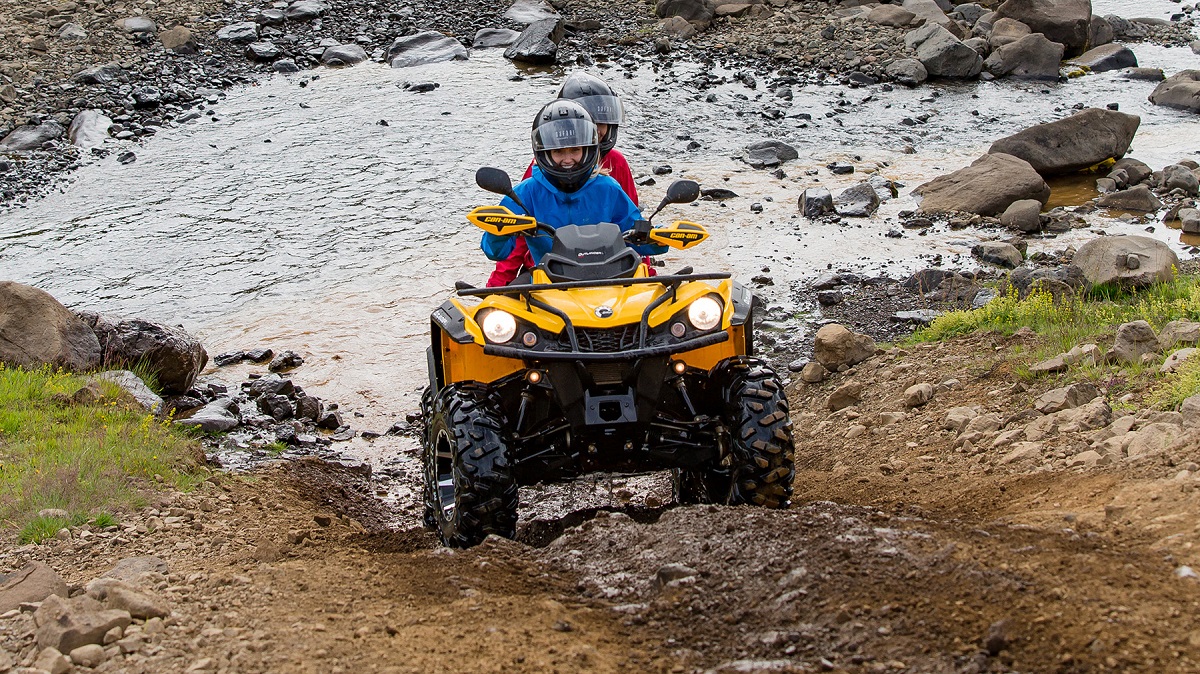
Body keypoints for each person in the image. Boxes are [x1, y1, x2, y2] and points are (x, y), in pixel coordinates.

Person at [480, 100, 664, 279]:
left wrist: (659, 237)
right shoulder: (526, 193)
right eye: (559, 152)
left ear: (588, 149)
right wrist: (499, 232)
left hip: (608, 282)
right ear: (544, 152)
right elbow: (496, 252)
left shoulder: (607, 189)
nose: (567, 159)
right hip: (547, 285)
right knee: (494, 308)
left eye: (574, 150)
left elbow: (637, 238)